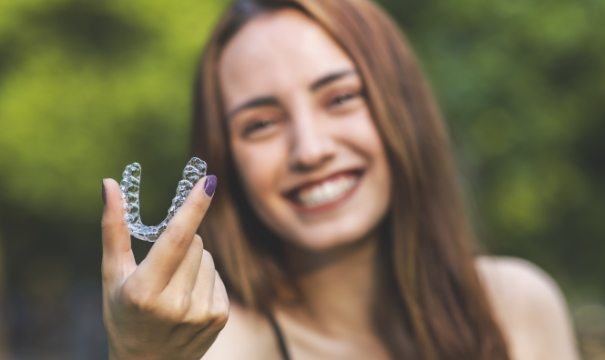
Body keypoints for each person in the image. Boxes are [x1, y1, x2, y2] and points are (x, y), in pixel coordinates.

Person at [100, 0, 580, 358]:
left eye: (341, 98)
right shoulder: (219, 348)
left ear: (403, 107)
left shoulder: (518, 309)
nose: (310, 150)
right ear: (225, 160)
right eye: (261, 124)